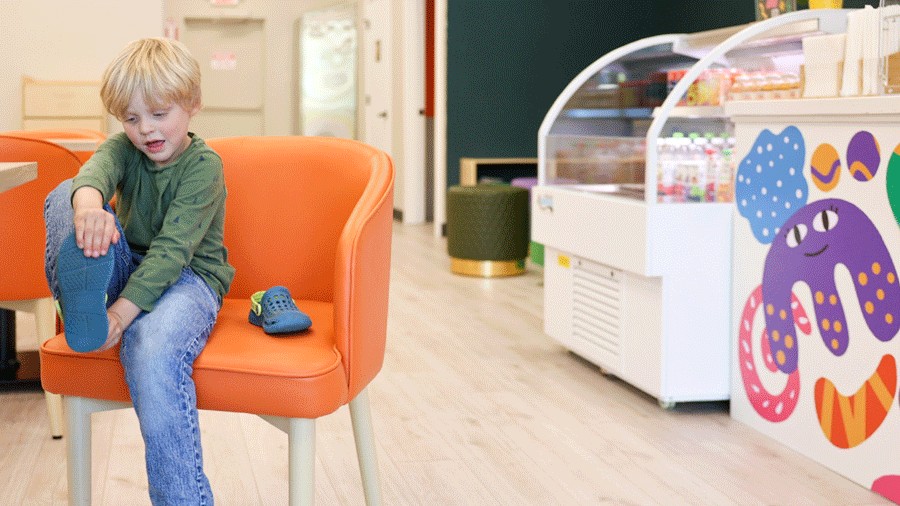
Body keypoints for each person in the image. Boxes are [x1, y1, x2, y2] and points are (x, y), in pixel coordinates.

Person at [43, 37, 234, 505]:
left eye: (159, 113)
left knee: (150, 349)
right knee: (66, 193)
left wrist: (121, 318)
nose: (145, 129)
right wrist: (90, 206)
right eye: (130, 118)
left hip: (189, 279)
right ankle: (80, 302)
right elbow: (95, 173)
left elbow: (171, 253)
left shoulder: (204, 167)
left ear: (192, 105)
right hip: (126, 265)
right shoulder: (125, 148)